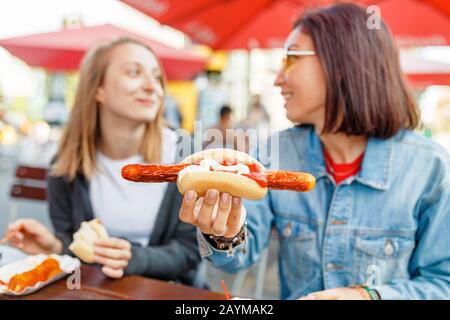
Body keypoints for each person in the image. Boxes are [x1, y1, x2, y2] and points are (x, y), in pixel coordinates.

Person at [177, 3, 450, 299]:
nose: (277, 79)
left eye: (292, 59)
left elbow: (443, 284)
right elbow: (238, 256)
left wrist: (368, 296)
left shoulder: (430, 168)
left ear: (344, 64)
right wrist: (224, 234)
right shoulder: (276, 149)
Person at [6, 37, 202, 285]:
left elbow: (190, 252)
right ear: (98, 88)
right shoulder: (66, 165)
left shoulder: (185, 156)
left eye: (156, 77)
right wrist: (56, 245)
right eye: (134, 72)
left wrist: (136, 258)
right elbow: (76, 251)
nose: (153, 87)